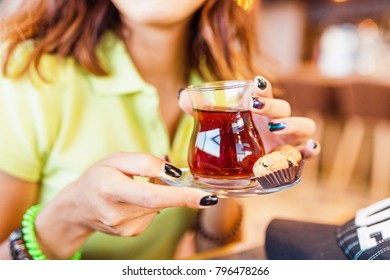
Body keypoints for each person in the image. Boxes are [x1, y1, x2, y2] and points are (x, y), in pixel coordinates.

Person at [0, 0, 320, 260]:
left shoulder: (224, 82)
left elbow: (213, 253)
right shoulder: (28, 73)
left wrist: (234, 172)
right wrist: (70, 218)